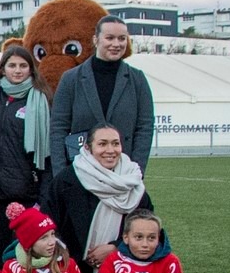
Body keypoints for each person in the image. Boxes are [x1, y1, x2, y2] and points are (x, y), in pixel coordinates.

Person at [41, 123, 152, 273]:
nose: (110, 150)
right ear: (87, 147)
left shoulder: (132, 182)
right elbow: (47, 224)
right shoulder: (66, 180)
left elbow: (149, 231)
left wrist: (116, 248)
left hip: (121, 271)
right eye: (102, 144)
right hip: (71, 270)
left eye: (115, 143)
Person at [50, 15, 155, 175]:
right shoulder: (71, 79)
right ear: (95, 39)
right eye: (110, 38)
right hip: (81, 173)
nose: (116, 44)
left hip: (123, 175)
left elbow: (144, 128)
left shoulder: (137, 80)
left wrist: (136, 171)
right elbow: (58, 128)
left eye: (122, 38)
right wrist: (61, 174)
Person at [0, 46, 53, 259]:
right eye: (12, 65)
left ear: (31, 70)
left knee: (22, 255)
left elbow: (46, 156)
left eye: (23, 66)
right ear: (2, 69)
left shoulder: (41, 99)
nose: (17, 70)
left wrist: (42, 196)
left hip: (24, 193)